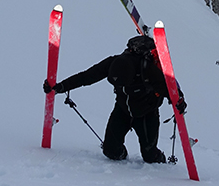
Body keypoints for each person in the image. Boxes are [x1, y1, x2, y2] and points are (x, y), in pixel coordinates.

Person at [43, 34, 185, 163]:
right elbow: (87, 76)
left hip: (146, 114)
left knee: (149, 156)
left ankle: (160, 161)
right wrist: (60, 87)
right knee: (110, 151)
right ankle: (123, 160)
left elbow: (170, 88)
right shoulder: (113, 62)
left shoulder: (148, 70)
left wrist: (179, 100)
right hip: (122, 110)